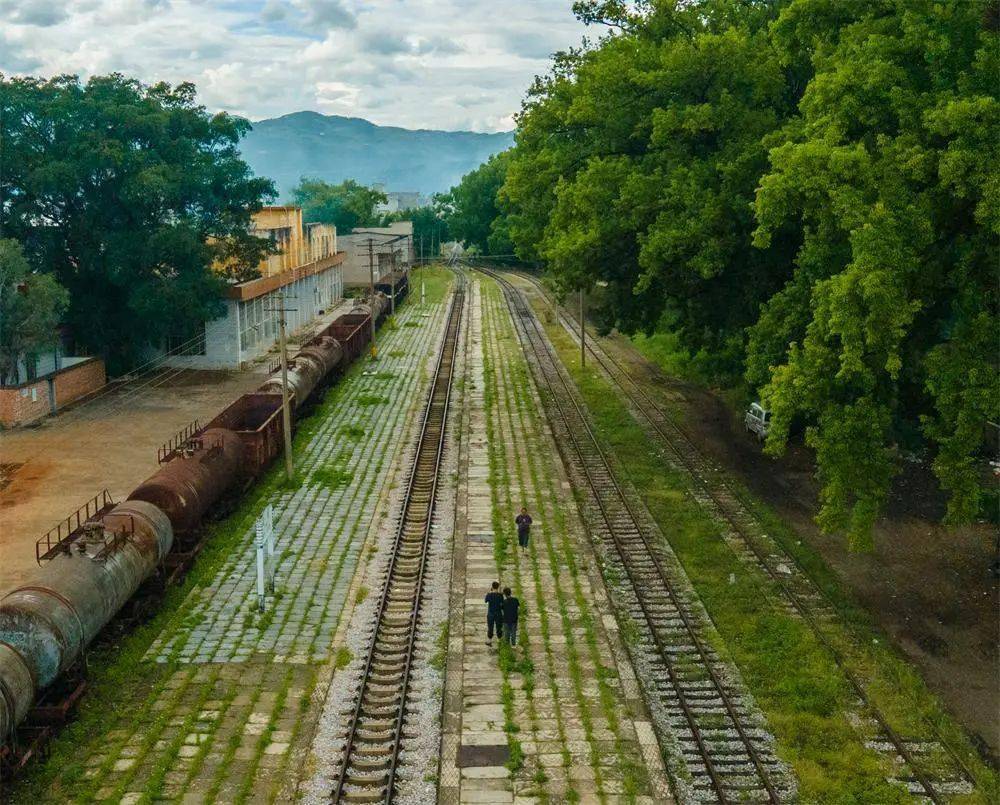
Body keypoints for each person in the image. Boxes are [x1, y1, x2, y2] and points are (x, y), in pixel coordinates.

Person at [484, 581, 504, 646]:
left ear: (492, 587)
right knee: (499, 626)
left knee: (490, 627)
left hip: (491, 613)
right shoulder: (500, 595)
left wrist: (490, 592)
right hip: (498, 613)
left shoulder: (489, 595)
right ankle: (499, 640)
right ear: (498, 587)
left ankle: (489, 640)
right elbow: (502, 603)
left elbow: (486, 601)